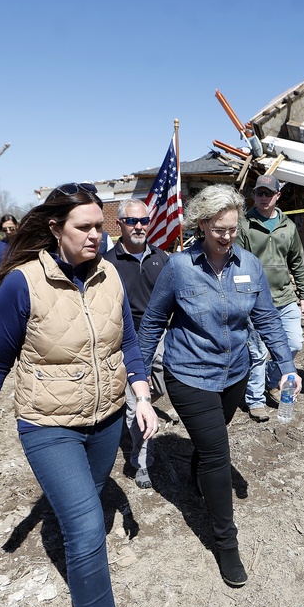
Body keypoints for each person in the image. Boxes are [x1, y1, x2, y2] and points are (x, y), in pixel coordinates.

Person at [0, 182, 157, 607]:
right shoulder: (22, 283)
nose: (97, 236)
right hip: (47, 424)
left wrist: (142, 394)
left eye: (99, 227)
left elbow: (127, 342)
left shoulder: (109, 275)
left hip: (107, 418)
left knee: (87, 500)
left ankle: (72, 520)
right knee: (89, 527)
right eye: (84, 227)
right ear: (55, 229)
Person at [138, 184, 301, 588]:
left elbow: (266, 319)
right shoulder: (179, 267)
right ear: (202, 224)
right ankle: (226, 545)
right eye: (219, 230)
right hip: (189, 374)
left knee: (211, 442)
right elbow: (153, 322)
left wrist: (287, 365)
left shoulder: (249, 264)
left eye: (233, 228)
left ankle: (197, 470)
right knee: (217, 452)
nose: (227, 237)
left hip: (234, 373)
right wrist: (139, 378)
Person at [237, 174, 304, 422]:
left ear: (277, 196)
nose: (263, 198)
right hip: (256, 301)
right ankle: (255, 400)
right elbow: (237, 263)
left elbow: (297, 262)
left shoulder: (288, 227)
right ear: (254, 195)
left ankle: (273, 378)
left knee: (294, 344)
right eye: (259, 193)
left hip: (285, 298)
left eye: (268, 193)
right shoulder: (244, 225)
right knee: (257, 353)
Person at [107, 199, 170, 489]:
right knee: (137, 403)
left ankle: (130, 404)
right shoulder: (107, 263)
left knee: (165, 386)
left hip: (163, 337)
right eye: (132, 221)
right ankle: (141, 462)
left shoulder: (163, 258)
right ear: (119, 224)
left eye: (144, 220)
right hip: (128, 341)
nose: (140, 226)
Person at [0, 213, 19, 280]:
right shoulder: (1, 244)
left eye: (11, 228)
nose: (8, 231)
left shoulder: (25, 241)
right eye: (5, 229)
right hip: (6, 278)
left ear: (16, 226)